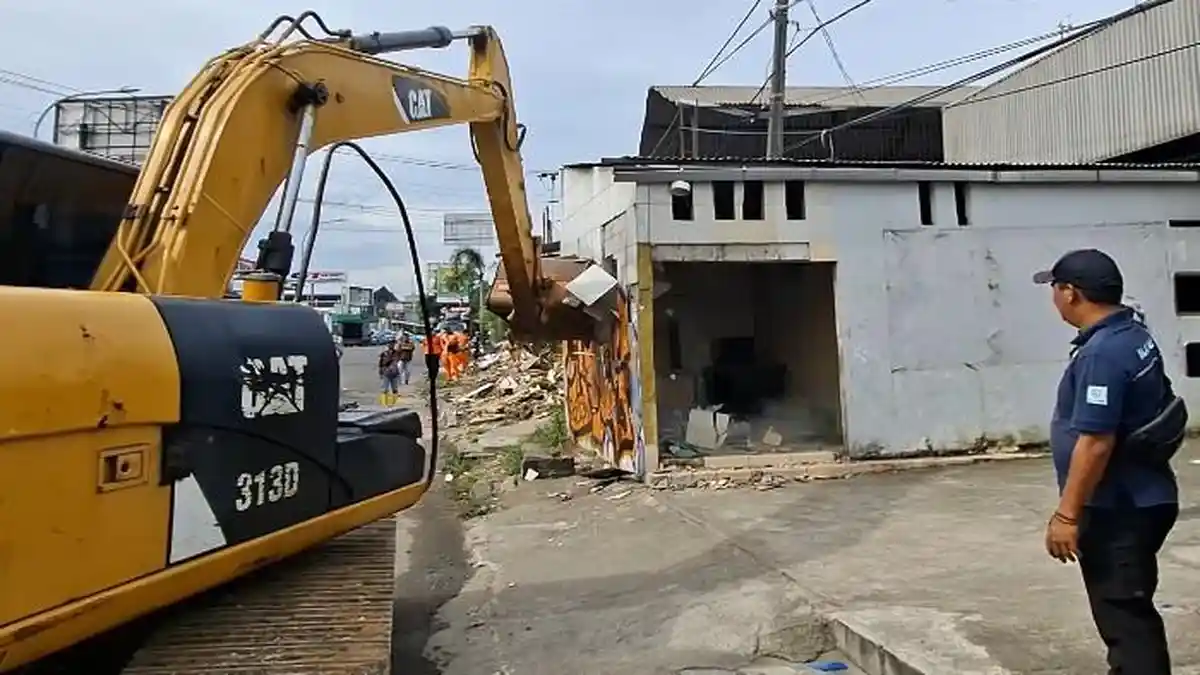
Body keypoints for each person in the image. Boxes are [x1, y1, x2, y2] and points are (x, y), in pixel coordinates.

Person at [1033, 248, 1179, 674]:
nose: (1055, 299)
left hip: (1120, 508)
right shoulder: (1133, 334)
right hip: (1146, 494)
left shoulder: (1102, 354)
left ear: (1071, 293)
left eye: (1055, 290)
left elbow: (1096, 442)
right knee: (1130, 611)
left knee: (1125, 621)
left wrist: (1066, 515)